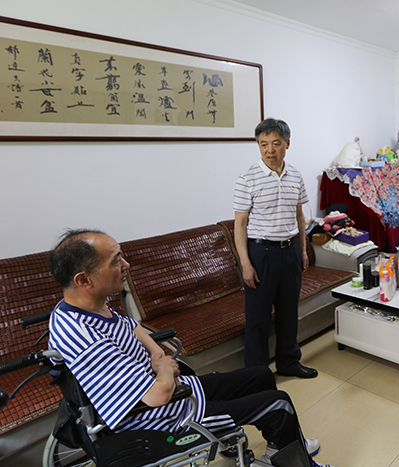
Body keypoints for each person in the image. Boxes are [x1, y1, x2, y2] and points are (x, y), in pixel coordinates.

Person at [47, 229, 330, 467]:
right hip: (165, 418)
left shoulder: (81, 307)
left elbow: (131, 325)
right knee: (279, 403)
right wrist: (163, 368)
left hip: (174, 392)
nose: (127, 265)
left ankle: (276, 448)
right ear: (84, 279)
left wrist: (156, 353)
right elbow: (158, 396)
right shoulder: (86, 339)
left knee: (261, 375)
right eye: (116, 260)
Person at [233, 118, 318, 379]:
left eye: (276, 143)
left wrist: (302, 250)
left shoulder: (296, 176)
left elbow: (299, 216)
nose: (270, 150)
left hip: (290, 251)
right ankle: (257, 376)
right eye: (264, 144)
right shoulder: (247, 179)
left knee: (288, 312)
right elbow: (240, 225)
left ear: (287, 144)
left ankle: (289, 363)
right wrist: (245, 264)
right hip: (261, 254)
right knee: (257, 318)